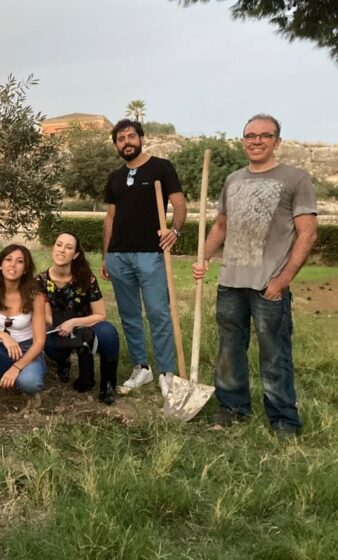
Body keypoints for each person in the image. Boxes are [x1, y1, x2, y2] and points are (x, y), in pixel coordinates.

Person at [193, 114, 317, 438]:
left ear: (277, 141)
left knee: (274, 354)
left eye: (264, 135)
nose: (256, 141)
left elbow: (307, 234)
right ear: (243, 140)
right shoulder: (233, 180)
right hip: (230, 283)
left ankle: (283, 421)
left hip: (268, 285)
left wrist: (282, 281)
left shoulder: (296, 178)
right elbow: (220, 225)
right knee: (229, 351)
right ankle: (232, 408)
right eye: (250, 135)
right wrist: (202, 258)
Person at [101, 118, 186, 396]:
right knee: (129, 315)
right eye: (121, 138)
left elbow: (179, 204)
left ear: (141, 138)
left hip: (151, 253)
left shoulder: (161, 167)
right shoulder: (114, 177)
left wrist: (174, 230)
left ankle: (166, 372)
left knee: (158, 313)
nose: (126, 142)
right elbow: (110, 218)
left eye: (130, 136)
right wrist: (106, 255)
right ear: (116, 144)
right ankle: (142, 368)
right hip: (118, 256)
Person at [38, 233, 120, 405]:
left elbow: (100, 315)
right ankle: (64, 363)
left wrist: (74, 323)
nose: (62, 250)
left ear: (75, 254)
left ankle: (108, 385)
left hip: (85, 325)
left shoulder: (87, 279)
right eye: (59, 245)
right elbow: (46, 316)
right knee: (46, 341)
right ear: (53, 248)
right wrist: (63, 328)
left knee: (109, 333)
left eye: (68, 247)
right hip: (57, 327)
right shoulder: (41, 281)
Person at [0, 244, 48, 418]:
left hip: (26, 351)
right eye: (8, 259)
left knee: (30, 382)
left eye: (19, 261)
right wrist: (3, 335)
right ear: (0, 265)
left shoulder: (36, 296)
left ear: (25, 269)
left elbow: (40, 342)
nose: (13, 265)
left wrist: (17, 367)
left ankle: (28, 389)